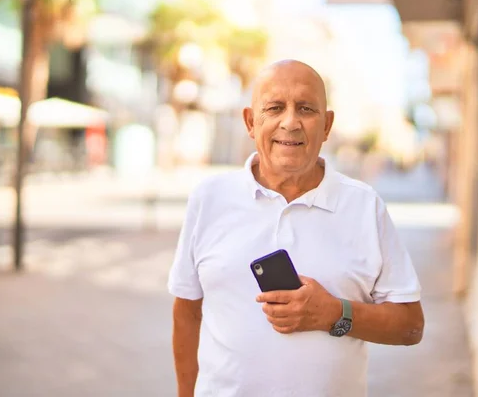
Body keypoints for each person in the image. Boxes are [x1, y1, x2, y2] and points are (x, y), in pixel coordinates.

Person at [168, 60, 424, 397]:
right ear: (250, 121)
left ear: (327, 125)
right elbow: (187, 313)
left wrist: (335, 313)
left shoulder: (364, 206)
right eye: (274, 108)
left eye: (305, 108)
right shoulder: (209, 198)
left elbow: (410, 326)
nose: (290, 122)